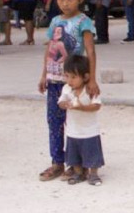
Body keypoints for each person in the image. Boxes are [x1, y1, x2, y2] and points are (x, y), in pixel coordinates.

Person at [38, 0, 99, 182]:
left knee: (76, 121)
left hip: (76, 82)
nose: (65, 3)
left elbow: (90, 51)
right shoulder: (55, 21)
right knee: (54, 122)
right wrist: (43, 74)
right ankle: (57, 162)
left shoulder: (84, 22)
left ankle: (77, 164)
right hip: (55, 79)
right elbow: (49, 48)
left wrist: (91, 79)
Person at [58, 54, 105, 186]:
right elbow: (61, 102)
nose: (70, 80)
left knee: (92, 152)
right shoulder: (66, 89)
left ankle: (93, 174)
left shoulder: (90, 90)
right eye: (67, 76)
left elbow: (97, 105)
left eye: (73, 77)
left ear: (85, 77)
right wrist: (65, 104)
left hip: (90, 130)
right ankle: (78, 173)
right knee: (74, 154)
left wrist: (82, 107)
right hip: (73, 129)